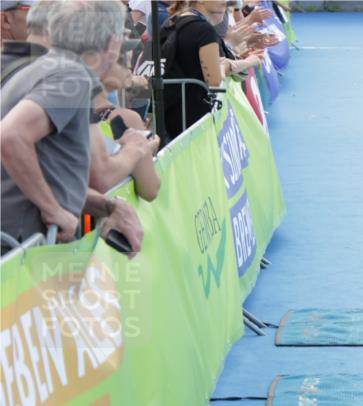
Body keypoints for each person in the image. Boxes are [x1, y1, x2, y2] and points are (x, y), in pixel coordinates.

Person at [1, 0, 143, 255]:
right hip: (20, 248)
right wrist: (54, 210)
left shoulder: (48, 69)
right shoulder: (69, 75)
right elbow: (10, 136)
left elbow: (49, 176)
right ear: (112, 43)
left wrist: (109, 207)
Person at [160, 0, 259, 141]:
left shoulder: (174, 20)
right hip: (194, 120)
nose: (225, 1)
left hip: (171, 113)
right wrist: (248, 62)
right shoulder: (204, 31)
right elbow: (215, 80)